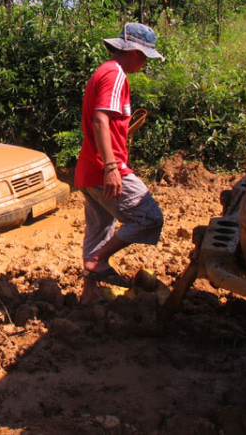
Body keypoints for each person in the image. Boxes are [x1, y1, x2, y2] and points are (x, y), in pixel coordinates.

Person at [74, 23, 165, 305]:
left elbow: (104, 122)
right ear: (136, 52)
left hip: (89, 169)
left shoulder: (103, 71)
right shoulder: (115, 74)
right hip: (105, 169)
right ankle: (99, 260)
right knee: (149, 216)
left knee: (100, 228)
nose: (145, 64)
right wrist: (112, 167)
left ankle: (89, 294)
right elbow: (101, 119)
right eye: (146, 58)